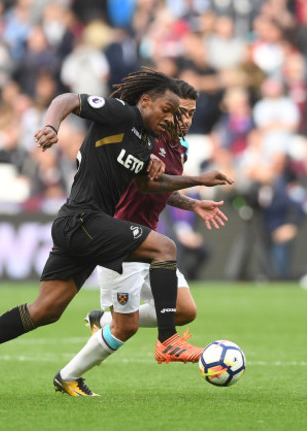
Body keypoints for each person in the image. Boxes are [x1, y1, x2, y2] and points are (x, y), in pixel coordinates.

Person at [0, 68, 233, 397]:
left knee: (45, 310)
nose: (172, 119)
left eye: (178, 114)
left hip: (82, 225)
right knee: (164, 248)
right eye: (168, 110)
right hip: (83, 219)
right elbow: (67, 99)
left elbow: (147, 185)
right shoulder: (121, 114)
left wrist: (197, 186)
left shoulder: (146, 141)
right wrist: (52, 126)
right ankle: (168, 340)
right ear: (146, 101)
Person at [56, 80, 230, 396]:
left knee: (185, 310)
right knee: (127, 328)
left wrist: (193, 203)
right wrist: (194, 184)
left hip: (149, 241)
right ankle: (67, 376)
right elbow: (143, 183)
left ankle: (105, 318)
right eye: (180, 113)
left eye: (191, 114)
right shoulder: (144, 141)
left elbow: (162, 187)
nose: (185, 120)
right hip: (120, 237)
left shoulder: (180, 148)